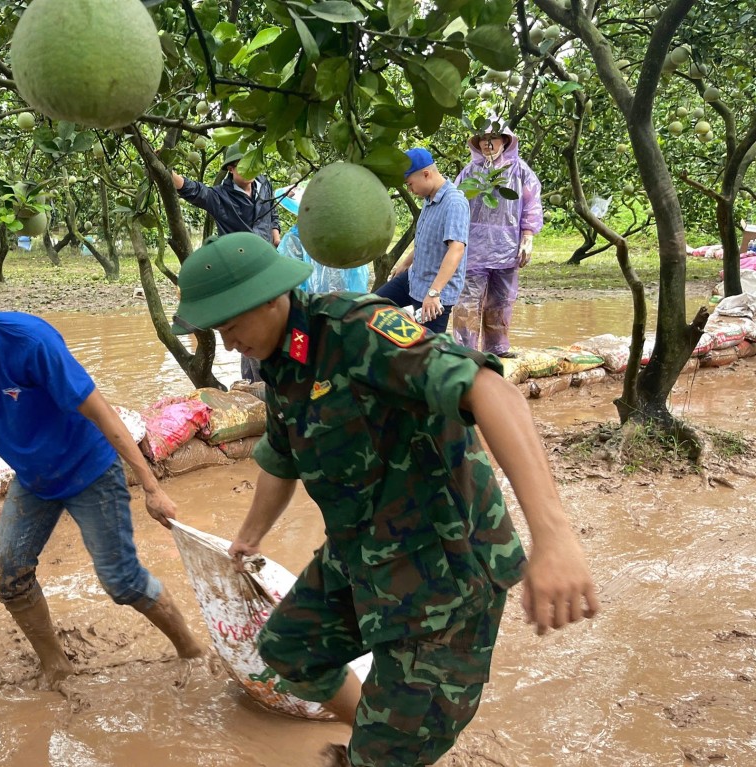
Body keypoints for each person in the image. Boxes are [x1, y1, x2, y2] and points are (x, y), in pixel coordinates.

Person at [172, 233, 598, 767]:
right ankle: (386, 741)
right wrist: (249, 537)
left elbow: (494, 392)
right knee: (290, 649)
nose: (228, 343)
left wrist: (553, 536)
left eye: (231, 326)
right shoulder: (281, 363)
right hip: (365, 555)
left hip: (445, 575)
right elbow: (282, 460)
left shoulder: (357, 331)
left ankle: (388, 750)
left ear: (270, 297)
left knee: (381, 755)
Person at [0, 269, 206, 692]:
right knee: (7, 573)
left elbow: (100, 410)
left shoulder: (28, 340)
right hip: (33, 479)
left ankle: (190, 649)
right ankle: (56, 666)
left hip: (90, 471)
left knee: (121, 581)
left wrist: (152, 487)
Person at [172, 144, 282, 383]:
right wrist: (166, 172)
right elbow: (195, 191)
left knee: (269, 323)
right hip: (240, 274)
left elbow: (273, 210)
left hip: (265, 266)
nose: (252, 169)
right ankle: (262, 386)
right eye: (244, 165)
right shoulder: (220, 197)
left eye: (254, 162)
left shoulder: (264, 183)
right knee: (249, 325)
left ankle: (256, 384)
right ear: (231, 169)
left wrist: (275, 230)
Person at [451, 120, 543, 357]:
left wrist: (528, 236)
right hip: (473, 249)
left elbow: (532, 205)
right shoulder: (469, 172)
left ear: (505, 141)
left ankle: (496, 349)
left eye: (493, 138)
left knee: (501, 301)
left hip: (507, 248)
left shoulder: (520, 171)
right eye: (483, 139)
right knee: (467, 302)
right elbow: (454, 204)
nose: (488, 144)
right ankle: (465, 351)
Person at [375, 148, 469, 334]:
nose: (410, 190)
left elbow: (456, 249)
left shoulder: (454, 203)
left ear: (426, 174)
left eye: (410, 184)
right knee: (373, 307)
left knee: (427, 349)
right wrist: (405, 264)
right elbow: (426, 240)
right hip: (414, 278)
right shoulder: (428, 199)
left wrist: (434, 293)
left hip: (435, 290)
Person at [278, 223, 370, 294]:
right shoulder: (296, 236)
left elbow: (357, 277)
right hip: (312, 307)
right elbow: (290, 278)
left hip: (343, 304)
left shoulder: (349, 236)